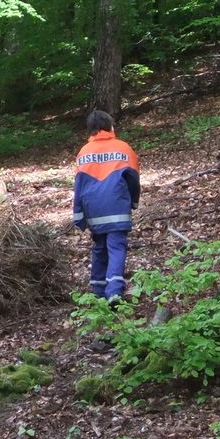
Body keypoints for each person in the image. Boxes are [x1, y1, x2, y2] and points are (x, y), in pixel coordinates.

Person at [72, 109, 141, 302]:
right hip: (117, 206)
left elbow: (79, 185)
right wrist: (134, 201)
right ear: (110, 126)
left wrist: (78, 214)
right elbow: (133, 179)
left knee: (100, 247)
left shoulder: (83, 153)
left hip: (93, 210)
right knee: (116, 247)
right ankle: (115, 291)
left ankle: (97, 290)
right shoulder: (123, 148)